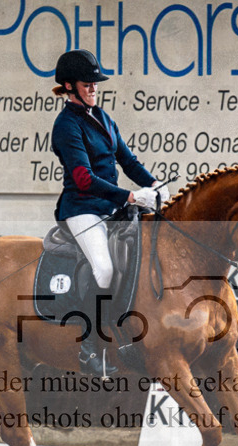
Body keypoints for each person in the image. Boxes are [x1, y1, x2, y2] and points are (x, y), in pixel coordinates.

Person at [50, 49, 169, 377]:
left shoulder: (103, 118)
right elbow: (83, 179)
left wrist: (154, 184)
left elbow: (128, 162)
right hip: (82, 209)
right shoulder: (66, 125)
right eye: (87, 83)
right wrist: (131, 194)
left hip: (112, 207)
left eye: (95, 83)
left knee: (140, 259)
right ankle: (88, 349)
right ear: (70, 87)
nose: (93, 88)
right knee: (103, 269)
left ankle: (131, 337)